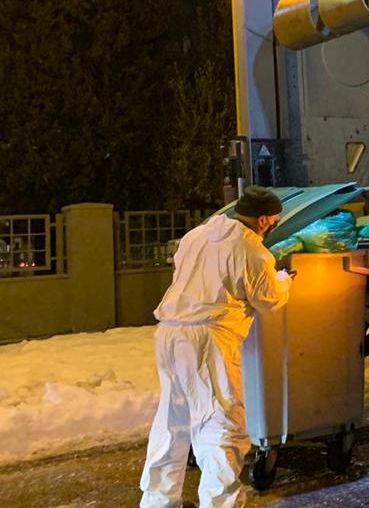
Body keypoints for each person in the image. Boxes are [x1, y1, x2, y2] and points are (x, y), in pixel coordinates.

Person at [139, 186, 292, 507]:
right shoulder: (251, 250)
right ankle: (219, 502)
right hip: (208, 338)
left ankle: (158, 501)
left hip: (170, 333)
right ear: (263, 220)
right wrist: (284, 279)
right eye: (275, 221)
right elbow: (268, 299)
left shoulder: (197, 235)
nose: (274, 226)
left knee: (173, 422)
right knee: (221, 424)